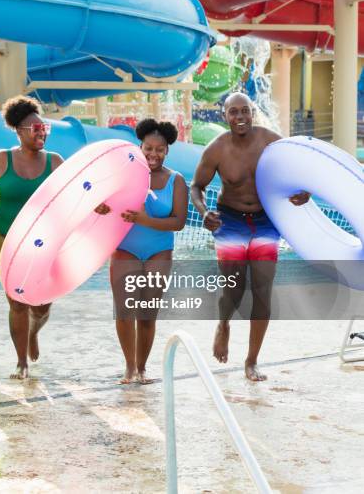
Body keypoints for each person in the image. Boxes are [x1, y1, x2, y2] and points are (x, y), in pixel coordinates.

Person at [191, 93, 310, 381]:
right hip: (229, 220)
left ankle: (252, 360)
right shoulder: (216, 150)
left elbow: (300, 167)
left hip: (265, 220)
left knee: (262, 289)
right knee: (233, 287)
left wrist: (304, 191)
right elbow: (196, 187)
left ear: (253, 113)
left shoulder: (271, 140)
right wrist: (204, 212)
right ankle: (224, 325)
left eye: (245, 110)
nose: (240, 116)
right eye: (234, 112)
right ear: (225, 116)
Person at [0, 95, 63, 379]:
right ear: (19, 130)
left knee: (41, 305)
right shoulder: (0, 159)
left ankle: (33, 332)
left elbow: (74, 191)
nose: (41, 132)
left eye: (44, 128)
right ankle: (21, 363)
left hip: (41, 238)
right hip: (3, 234)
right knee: (17, 301)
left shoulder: (54, 162)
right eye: (35, 129)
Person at [110, 119, 188, 384]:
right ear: (139, 146)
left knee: (146, 313)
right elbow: (107, 203)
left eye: (160, 149)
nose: (153, 154)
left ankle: (142, 367)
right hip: (125, 249)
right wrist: (100, 208)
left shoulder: (175, 181)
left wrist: (145, 220)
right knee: (124, 312)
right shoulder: (124, 172)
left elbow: (178, 222)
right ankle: (129, 366)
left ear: (167, 150)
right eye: (148, 148)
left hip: (159, 251)